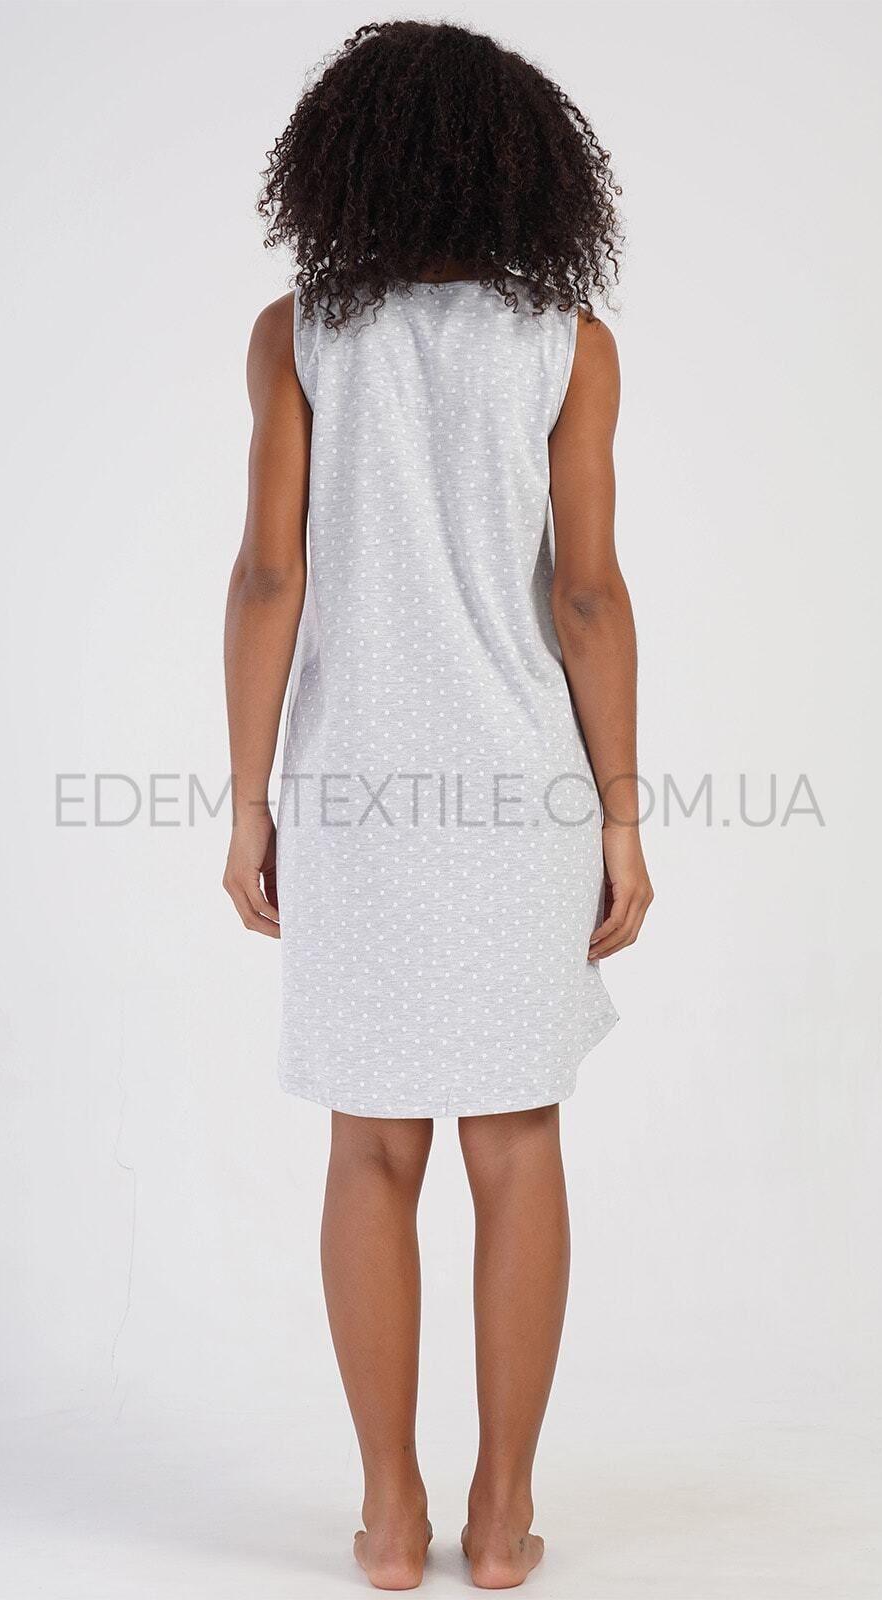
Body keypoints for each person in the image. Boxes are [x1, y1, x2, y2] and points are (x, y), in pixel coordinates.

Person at [223, 20, 653, 1590]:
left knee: (371, 1148)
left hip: (354, 793)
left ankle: (391, 1512)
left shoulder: (301, 335)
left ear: (344, 162)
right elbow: (587, 598)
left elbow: (270, 577)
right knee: (517, 1142)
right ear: (528, 168)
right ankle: (504, 1515)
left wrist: (249, 802)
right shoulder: (569, 344)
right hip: (523, 792)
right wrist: (621, 819)